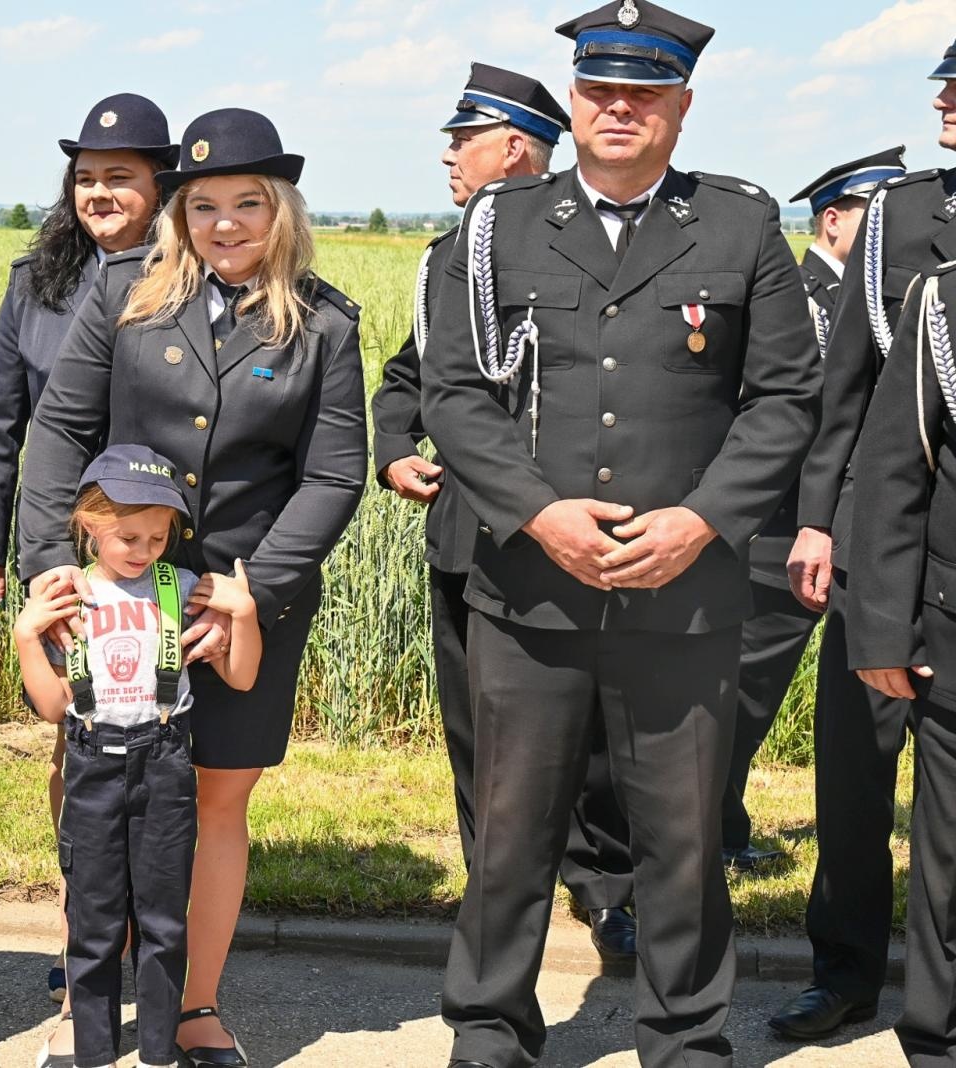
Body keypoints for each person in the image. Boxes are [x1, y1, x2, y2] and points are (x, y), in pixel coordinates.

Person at [416, 1, 821, 1063]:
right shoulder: (498, 227)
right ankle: (490, 1031)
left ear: (681, 108)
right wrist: (538, 514)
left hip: (684, 599)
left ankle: (685, 1038)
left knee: (680, 843)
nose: (618, 109)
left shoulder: (739, 225)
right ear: (575, 100)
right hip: (528, 592)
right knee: (511, 835)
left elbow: (785, 397)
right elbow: (454, 393)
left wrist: (703, 521)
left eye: (643, 94)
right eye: (600, 90)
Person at [18, 108, 367, 1068]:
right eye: (203, 204)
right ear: (179, 213)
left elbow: (334, 473)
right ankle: (87, 1007)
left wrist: (253, 592)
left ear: (282, 210)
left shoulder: (324, 323)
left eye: (248, 203)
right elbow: (60, 430)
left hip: (242, 607)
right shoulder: (125, 292)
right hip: (119, 591)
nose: (224, 223)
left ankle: (195, 1009)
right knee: (100, 796)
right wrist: (51, 564)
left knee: (215, 802)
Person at [370, 61, 638, 962]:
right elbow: (411, 375)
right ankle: (494, 888)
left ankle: (607, 889)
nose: (449, 155)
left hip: (575, 528)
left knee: (594, 733)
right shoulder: (450, 255)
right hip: (465, 530)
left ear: (516, 146)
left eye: (464, 139)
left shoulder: (593, 241)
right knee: (475, 729)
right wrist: (392, 448)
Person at [0, 92, 176, 1014]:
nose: (99, 193)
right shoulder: (35, 284)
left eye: (121, 177)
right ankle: (89, 935)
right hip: (67, 555)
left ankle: (156, 935)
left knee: (167, 749)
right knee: (77, 745)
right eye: (85, 178)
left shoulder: (194, 278)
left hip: (163, 554)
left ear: (163, 185)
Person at [773, 49, 956, 1041]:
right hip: (871, 541)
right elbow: (843, 383)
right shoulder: (898, 213)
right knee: (853, 773)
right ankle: (843, 971)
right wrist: (815, 519)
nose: (943, 99)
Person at [16, 444, 261, 1068]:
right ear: (88, 525)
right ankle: (91, 1047)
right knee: (94, 915)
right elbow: (52, 706)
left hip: (165, 761)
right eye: (128, 537)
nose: (144, 550)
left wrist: (244, 612)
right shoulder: (69, 596)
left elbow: (240, 676)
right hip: (91, 763)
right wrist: (25, 637)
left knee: (163, 917)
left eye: (158, 537)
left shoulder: (181, 589)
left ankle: (158, 1050)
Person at [718, 148, 907, 876]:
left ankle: (719, 830)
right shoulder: (799, 299)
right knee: (742, 694)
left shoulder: (872, 301)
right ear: (832, 220)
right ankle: (701, 834)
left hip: (840, 523)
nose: (893, 229)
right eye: (874, 215)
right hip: (782, 527)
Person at [848, 260, 956, 1066]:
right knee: (949, 866)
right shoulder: (944, 299)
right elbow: (895, 466)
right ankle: (938, 1039)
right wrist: (885, 630)